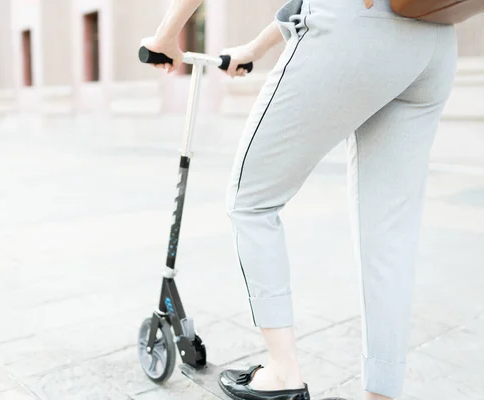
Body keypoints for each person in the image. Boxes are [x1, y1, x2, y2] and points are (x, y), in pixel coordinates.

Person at [141, 0, 457, 398]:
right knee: (389, 235)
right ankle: (382, 392)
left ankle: (282, 374)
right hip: (432, 42)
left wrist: (166, 36)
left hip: (352, 33)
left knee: (251, 201)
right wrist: (255, 48)